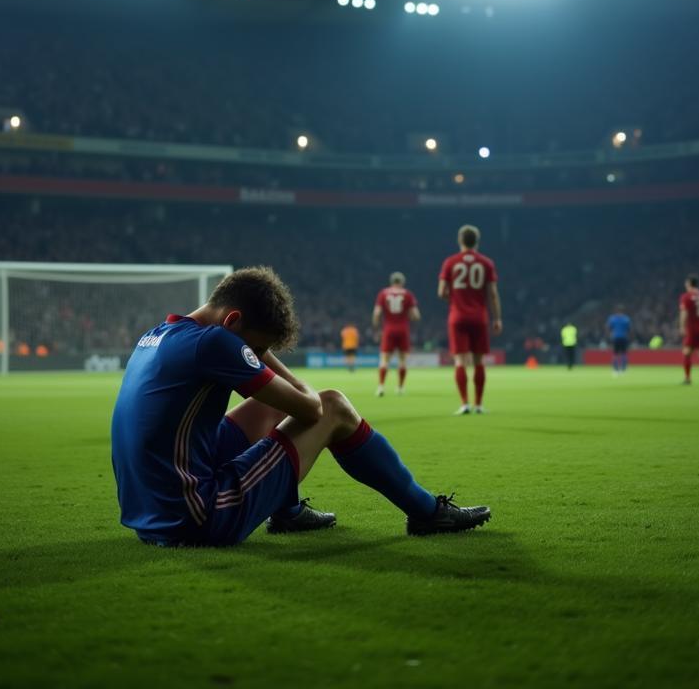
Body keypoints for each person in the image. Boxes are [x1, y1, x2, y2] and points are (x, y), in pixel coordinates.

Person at [110, 266, 490, 547]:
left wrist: (253, 350)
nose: (257, 358)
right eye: (256, 350)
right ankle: (427, 512)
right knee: (334, 405)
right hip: (195, 519)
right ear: (233, 320)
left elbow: (275, 400)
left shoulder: (158, 333)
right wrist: (258, 356)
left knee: (269, 408)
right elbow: (310, 409)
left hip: (151, 510)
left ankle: (288, 514)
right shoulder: (215, 343)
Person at [438, 224, 502, 415]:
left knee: (460, 361)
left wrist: (455, 299)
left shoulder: (450, 262)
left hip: (457, 317)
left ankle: (464, 403)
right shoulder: (486, 263)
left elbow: (441, 292)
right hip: (479, 317)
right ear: (477, 241)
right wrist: (497, 318)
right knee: (479, 361)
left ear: (460, 240)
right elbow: (493, 293)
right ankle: (479, 404)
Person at [373, 272, 420, 397]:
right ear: (402, 282)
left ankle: (381, 387)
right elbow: (415, 315)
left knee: (384, 360)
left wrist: (376, 328)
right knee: (402, 360)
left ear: (391, 281)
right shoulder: (408, 294)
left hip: (388, 329)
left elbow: (377, 313)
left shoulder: (383, 293)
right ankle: (400, 387)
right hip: (403, 329)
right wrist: (410, 316)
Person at [606, 307, 632, 377]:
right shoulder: (626, 319)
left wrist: (609, 336)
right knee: (624, 353)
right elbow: (629, 329)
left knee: (615, 354)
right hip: (624, 337)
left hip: (616, 338)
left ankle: (616, 369)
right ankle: (623, 368)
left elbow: (609, 328)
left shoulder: (612, 318)